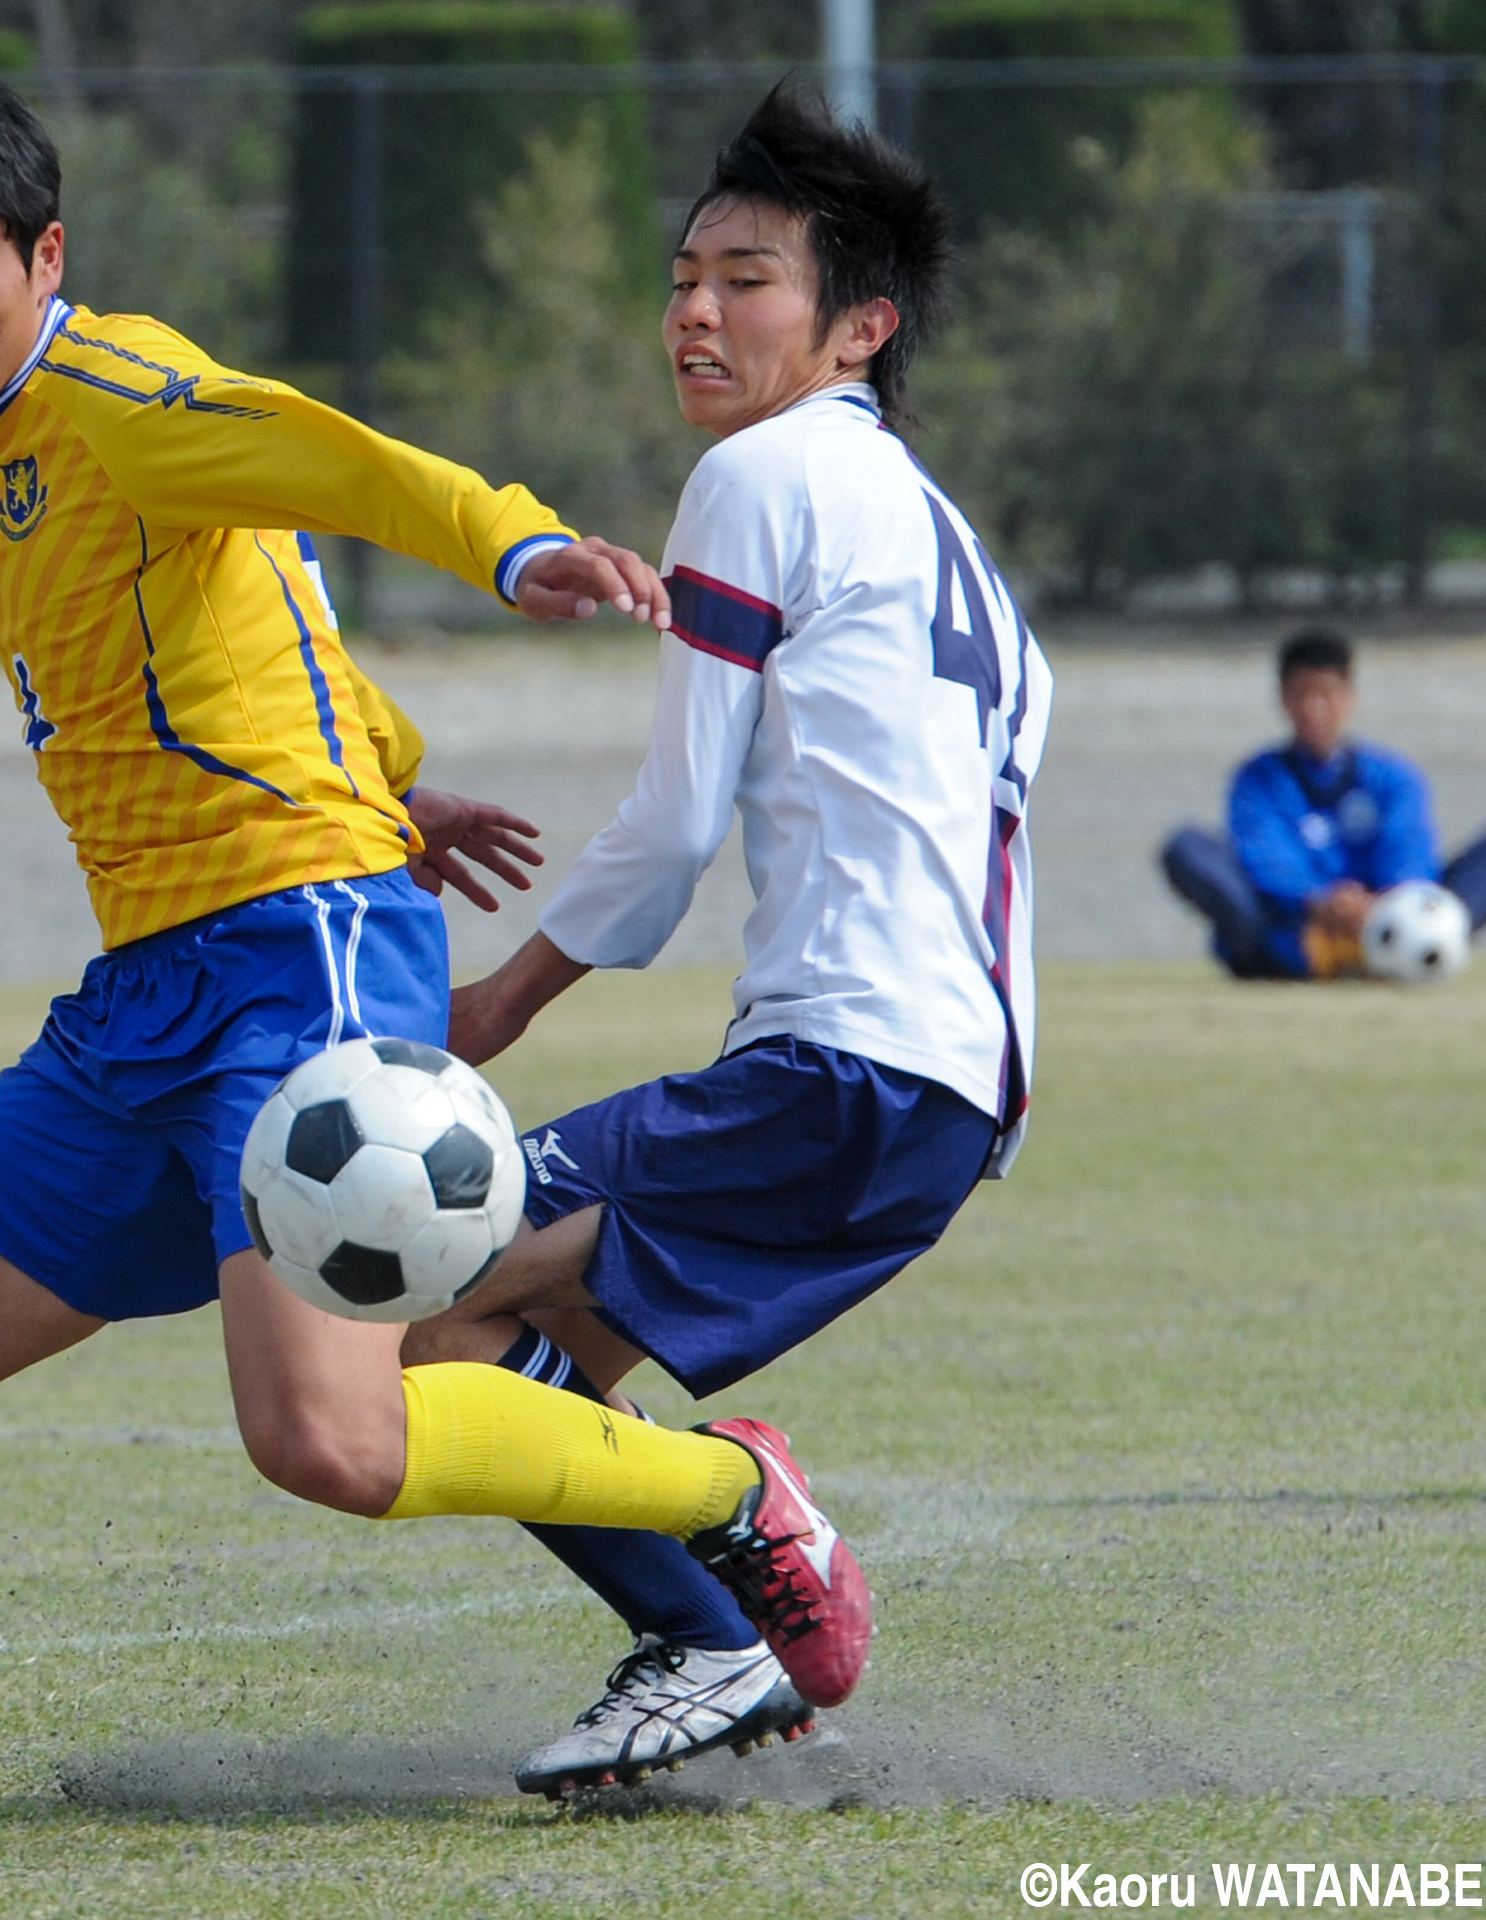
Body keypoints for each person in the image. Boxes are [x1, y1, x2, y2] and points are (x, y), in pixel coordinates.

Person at [0, 63, 867, 1827]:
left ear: (46, 254)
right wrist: (396, 777)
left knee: (327, 1438)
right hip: (149, 998)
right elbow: (235, 612)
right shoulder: (8, 450)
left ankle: (724, 1493)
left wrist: (520, 541)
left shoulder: (109, 385)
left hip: (300, 958)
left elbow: (321, 459)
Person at [398, 83, 1051, 1798]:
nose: (694, 310)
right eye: (683, 275)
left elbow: (678, 823)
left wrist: (500, 1003)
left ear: (859, 327)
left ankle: (723, 1604)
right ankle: (713, 1633)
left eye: (746, 278)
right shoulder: (948, 539)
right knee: (488, 1359)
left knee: (426, 1290)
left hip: (843, 1063)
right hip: (945, 1096)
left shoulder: (758, 477)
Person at [1161, 629, 1486, 980]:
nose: (1314, 708)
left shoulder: (1393, 776)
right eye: (1302, 695)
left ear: (1349, 698)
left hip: (1396, 922)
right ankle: (1301, 959)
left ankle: (1399, 951)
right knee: (1186, 848)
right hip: (1299, 926)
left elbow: (1410, 854)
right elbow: (1264, 859)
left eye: (1327, 695)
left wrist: (1380, 906)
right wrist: (1320, 900)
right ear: (1284, 700)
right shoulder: (1258, 778)